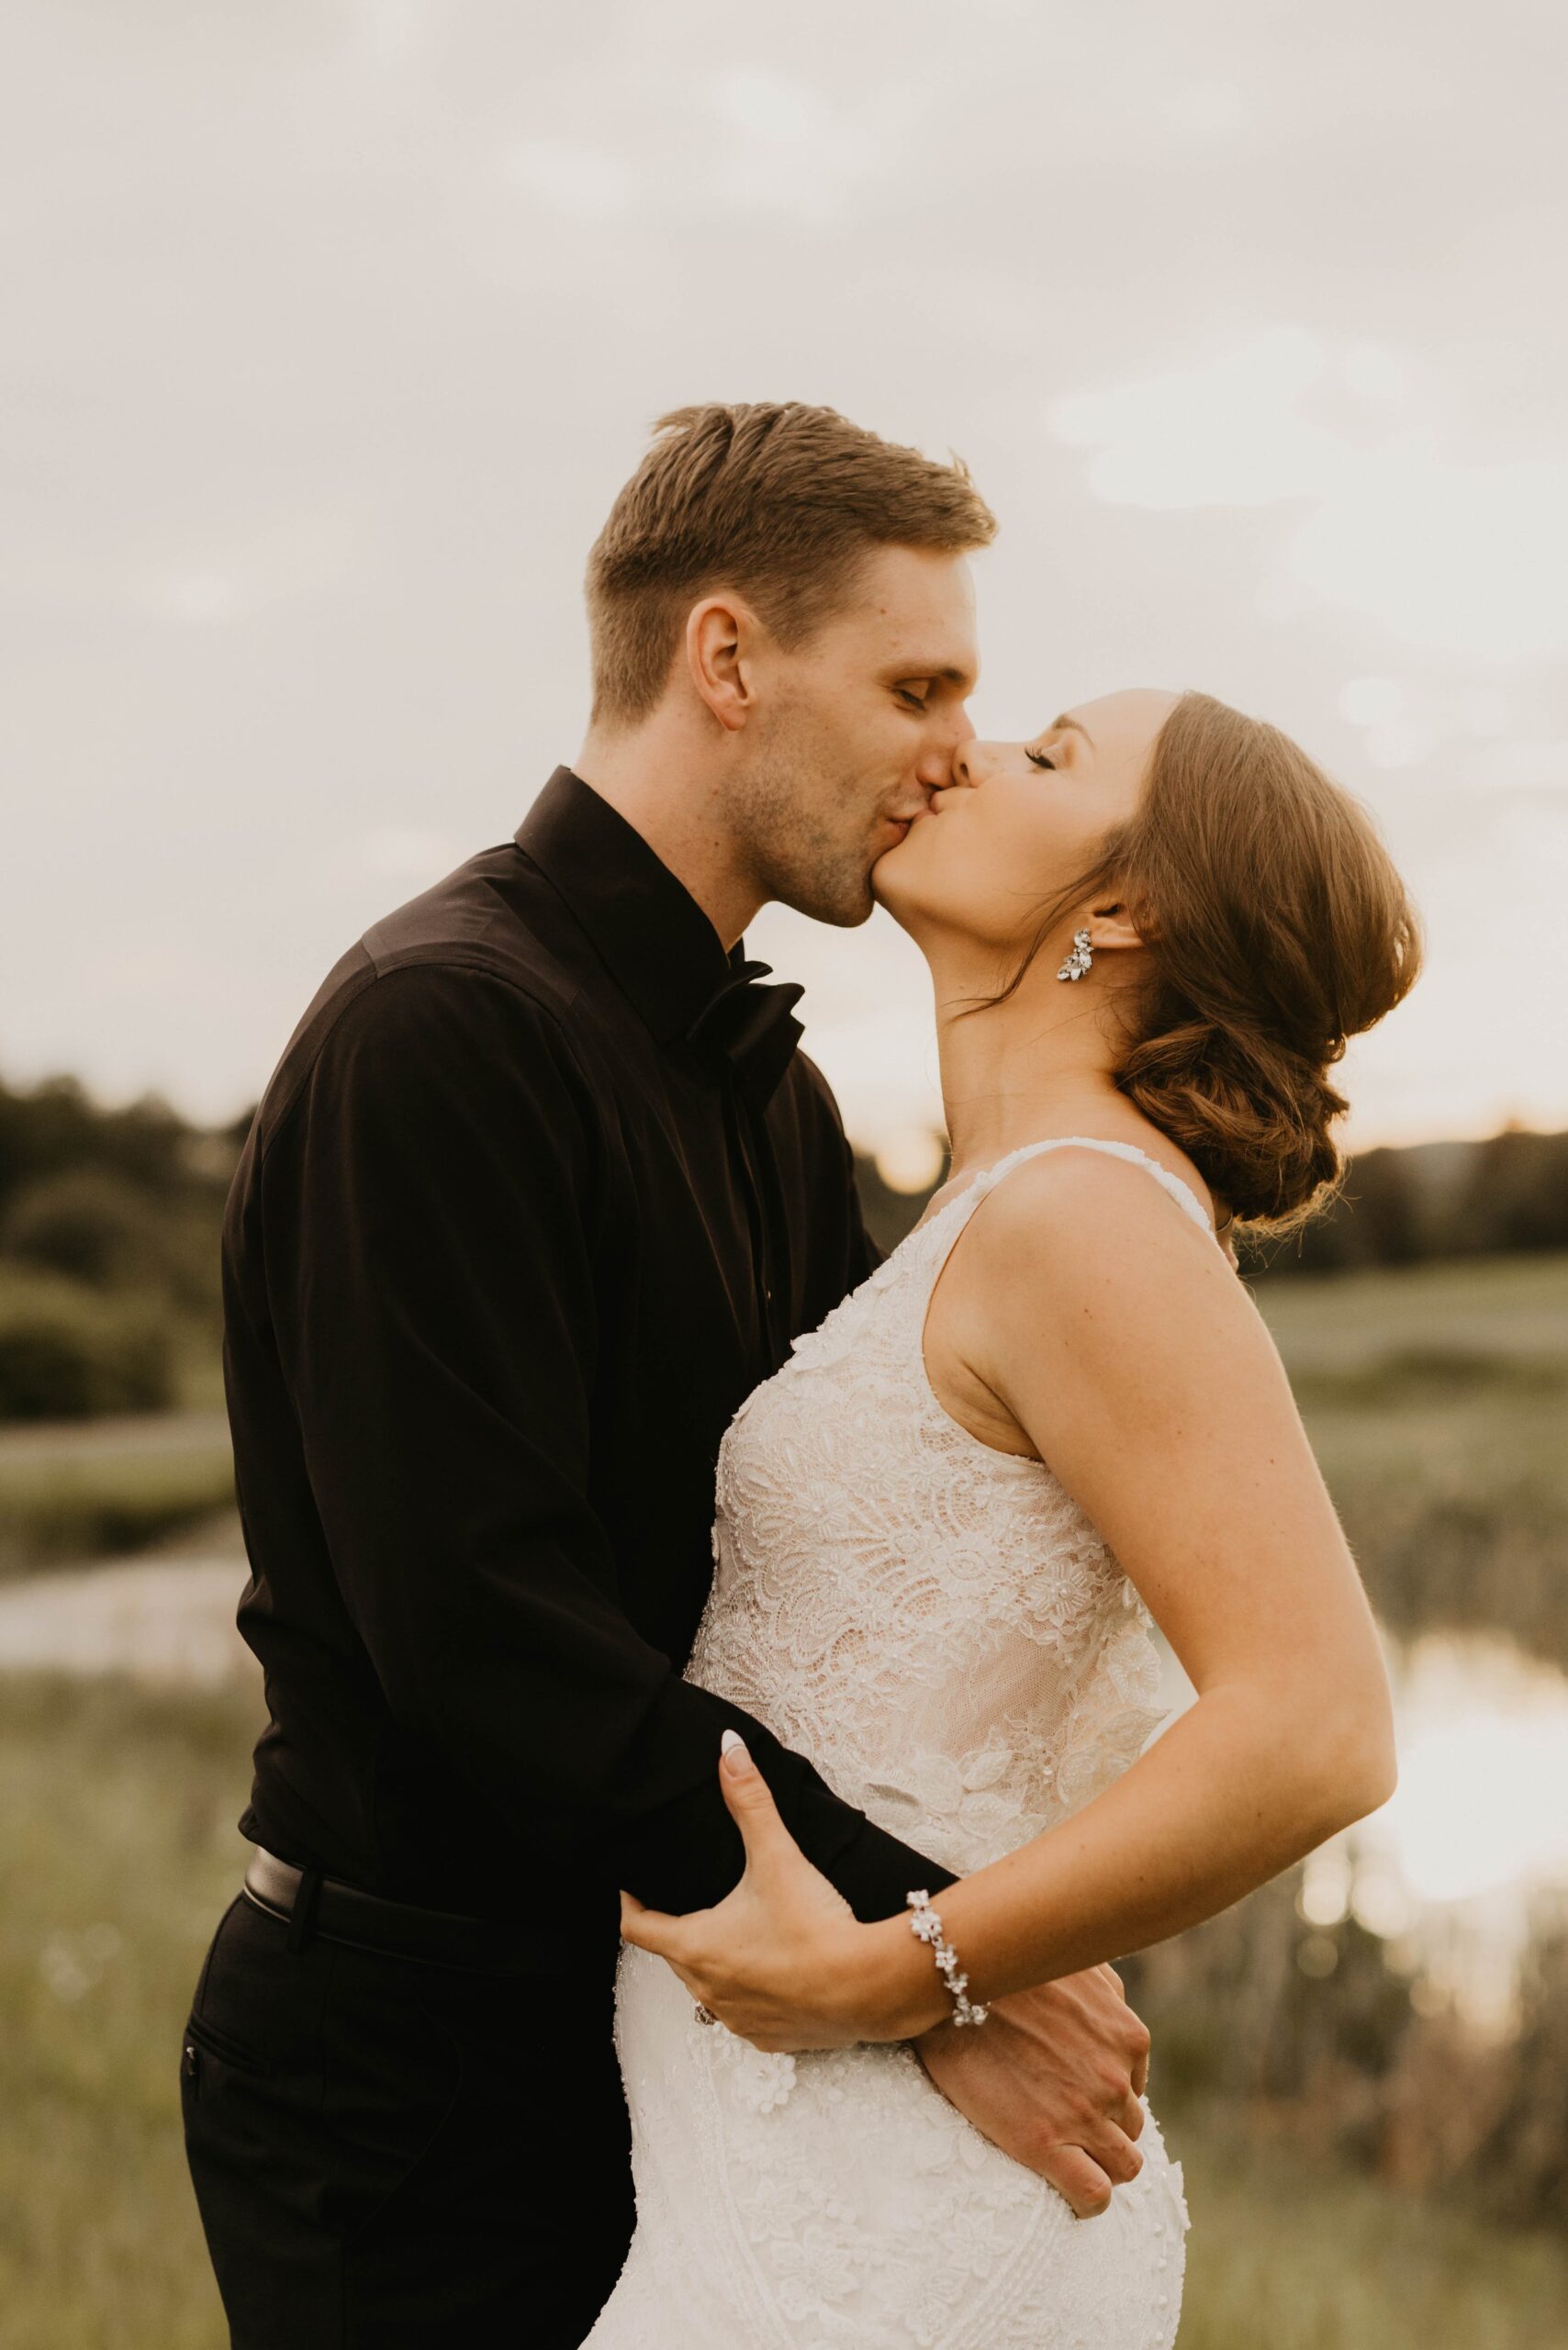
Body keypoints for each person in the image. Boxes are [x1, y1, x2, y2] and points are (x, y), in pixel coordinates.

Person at [181, 402, 1157, 2350]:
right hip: (408, 2067)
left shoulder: (771, 1095)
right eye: (911, 682)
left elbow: (830, 1559)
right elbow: (483, 1629)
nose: (950, 744)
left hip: (670, 2028)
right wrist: (924, 1953)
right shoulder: (437, 1032)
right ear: (726, 660)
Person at [597, 685, 1419, 2345]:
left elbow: (1319, 1724)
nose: (966, 750)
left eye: (1049, 757)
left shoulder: (1082, 1224)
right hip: (768, 2165)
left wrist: (905, 1974)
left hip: (883, 2211)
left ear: (1127, 907)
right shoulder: (990, 1212)